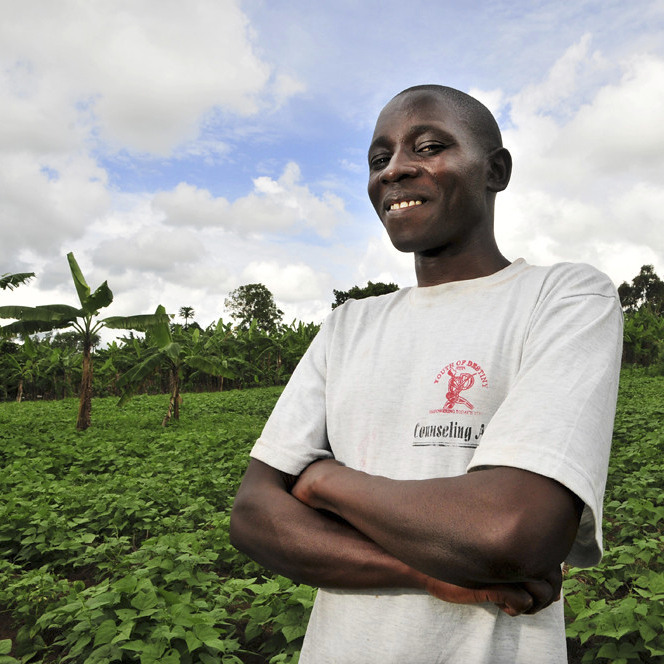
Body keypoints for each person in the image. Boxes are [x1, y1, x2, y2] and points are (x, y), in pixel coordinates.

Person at [230, 85, 623, 663]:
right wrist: (435, 574)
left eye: (430, 146)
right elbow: (254, 516)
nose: (394, 171)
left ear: (496, 170)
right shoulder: (349, 326)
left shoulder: (562, 296)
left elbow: (512, 530)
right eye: (378, 158)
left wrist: (323, 482)